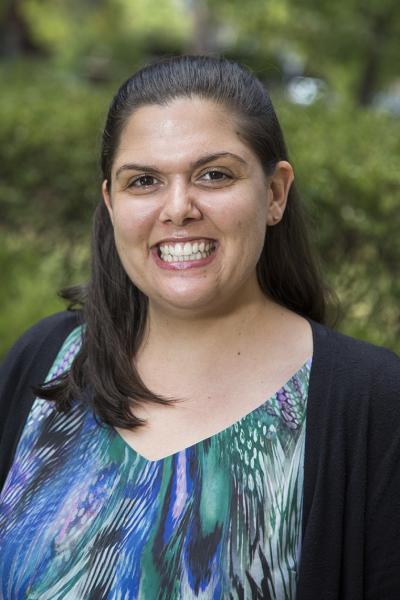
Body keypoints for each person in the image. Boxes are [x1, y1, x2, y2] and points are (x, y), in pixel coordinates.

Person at [0, 55, 399, 600]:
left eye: (214, 175)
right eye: (143, 181)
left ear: (275, 194)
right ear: (111, 204)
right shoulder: (46, 360)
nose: (178, 208)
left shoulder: (369, 401)